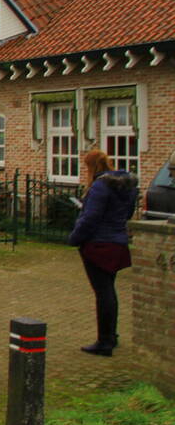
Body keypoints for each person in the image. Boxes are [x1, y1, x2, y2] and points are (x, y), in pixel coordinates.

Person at [68, 149, 137, 356]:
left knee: (103, 292)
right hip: (117, 241)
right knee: (109, 289)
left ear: (91, 167)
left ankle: (105, 341)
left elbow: (91, 218)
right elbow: (129, 212)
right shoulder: (127, 186)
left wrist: (74, 238)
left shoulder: (100, 186)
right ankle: (111, 336)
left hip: (98, 244)